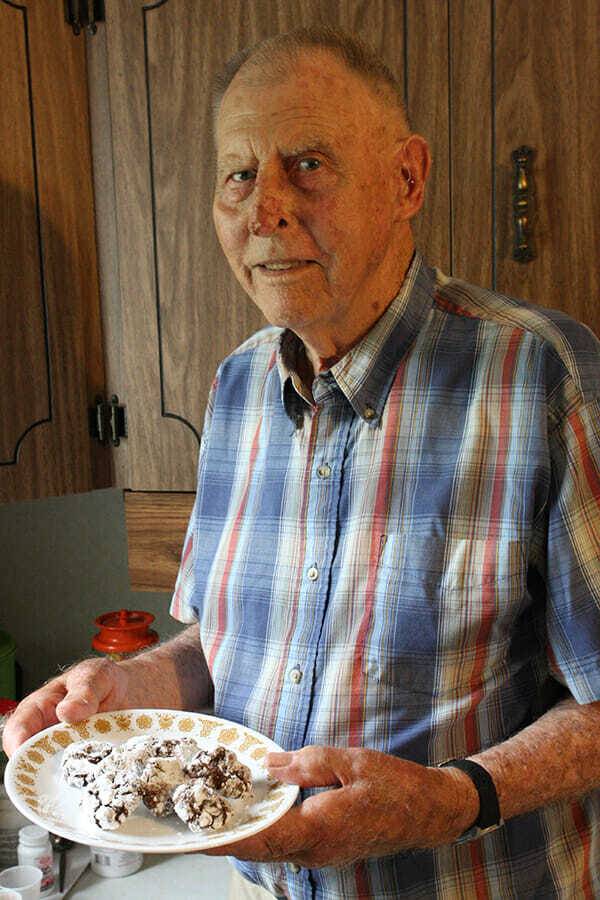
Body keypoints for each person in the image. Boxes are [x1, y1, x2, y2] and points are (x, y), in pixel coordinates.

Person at [4, 26, 600, 900]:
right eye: (239, 174)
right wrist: (124, 683)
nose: (264, 208)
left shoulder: (545, 375)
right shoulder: (238, 386)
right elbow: (227, 646)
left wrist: (448, 800)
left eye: (308, 165)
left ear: (407, 179)